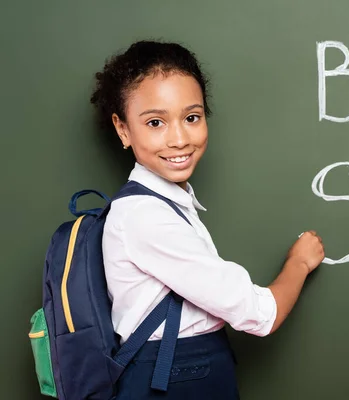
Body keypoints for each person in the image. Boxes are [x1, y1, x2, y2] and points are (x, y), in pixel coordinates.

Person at [90, 40, 325, 399]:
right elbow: (261, 315)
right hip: (175, 377)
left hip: (187, 371)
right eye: (156, 122)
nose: (180, 138)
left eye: (192, 117)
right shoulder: (145, 217)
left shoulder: (165, 205)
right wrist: (299, 262)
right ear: (123, 130)